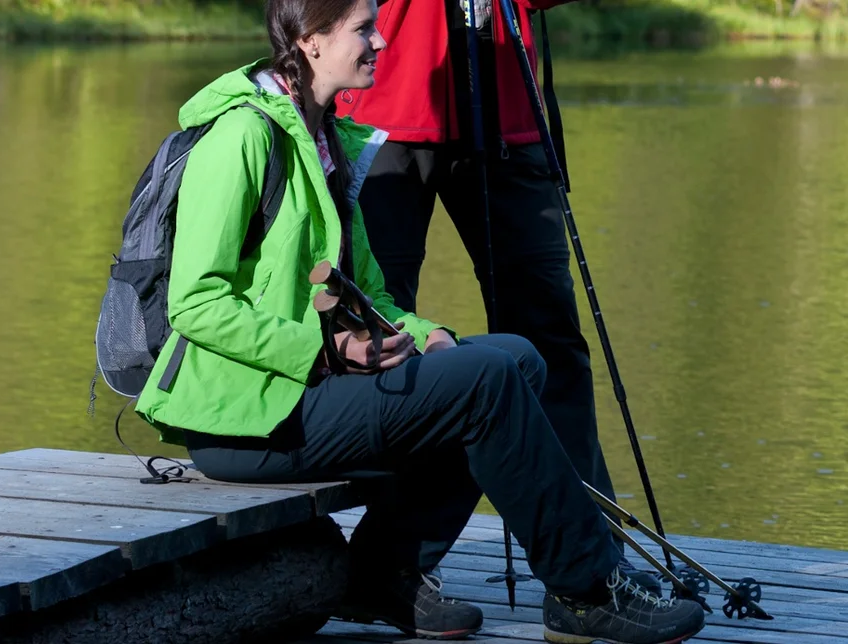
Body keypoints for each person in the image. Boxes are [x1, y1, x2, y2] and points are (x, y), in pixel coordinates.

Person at [131, 0, 704, 640]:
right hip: (243, 417)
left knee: (513, 356)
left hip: (295, 393)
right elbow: (196, 304)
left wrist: (430, 333)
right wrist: (325, 350)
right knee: (482, 384)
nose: (381, 40)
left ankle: (387, 574)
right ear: (312, 41)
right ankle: (587, 590)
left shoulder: (331, 139)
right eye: (364, 29)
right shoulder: (242, 134)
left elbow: (370, 292)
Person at [335, 0, 632, 579]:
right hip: (385, 107)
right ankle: (394, 565)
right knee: (384, 338)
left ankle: (594, 558)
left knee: (550, 339)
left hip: (507, 109)